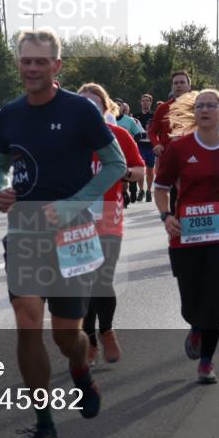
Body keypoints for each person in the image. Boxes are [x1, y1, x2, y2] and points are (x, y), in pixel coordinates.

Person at [0, 29, 126, 438]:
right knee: (27, 321)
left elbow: (116, 164)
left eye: (40, 62)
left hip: (73, 231)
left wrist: (73, 205)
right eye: (25, 61)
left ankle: (81, 369)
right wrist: (0, 187)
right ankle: (44, 424)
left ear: (56, 66)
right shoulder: (11, 114)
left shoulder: (80, 110)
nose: (32, 68)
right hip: (25, 230)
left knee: (67, 336)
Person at [154, 89, 219, 384]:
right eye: (200, 106)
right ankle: (196, 325)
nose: (205, 110)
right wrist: (166, 216)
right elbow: (160, 189)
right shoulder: (178, 148)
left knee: (213, 297)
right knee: (190, 303)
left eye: (211, 105)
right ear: (194, 113)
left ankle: (207, 361)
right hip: (185, 233)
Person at [77, 84, 145, 366]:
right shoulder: (67, 138)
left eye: (94, 105)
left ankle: (106, 330)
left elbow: (139, 171)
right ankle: (89, 341)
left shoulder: (119, 136)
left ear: (105, 109)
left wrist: (122, 172)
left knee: (102, 280)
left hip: (108, 217)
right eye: (83, 105)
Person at [113, 100, 143, 205]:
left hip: (127, 151)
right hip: (115, 152)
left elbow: (138, 134)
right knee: (120, 174)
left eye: (119, 105)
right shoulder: (108, 119)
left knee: (129, 173)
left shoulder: (129, 120)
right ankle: (124, 193)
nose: (117, 106)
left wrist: (131, 144)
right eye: (115, 104)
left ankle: (133, 189)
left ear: (123, 108)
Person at [136, 94, 156, 202]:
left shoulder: (155, 115)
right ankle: (141, 190)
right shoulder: (136, 116)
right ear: (140, 102)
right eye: (143, 100)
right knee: (140, 168)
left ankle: (148, 191)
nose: (145, 102)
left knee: (150, 170)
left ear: (150, 102)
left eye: (147, 100)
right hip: (140, 146)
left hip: (151, 146)